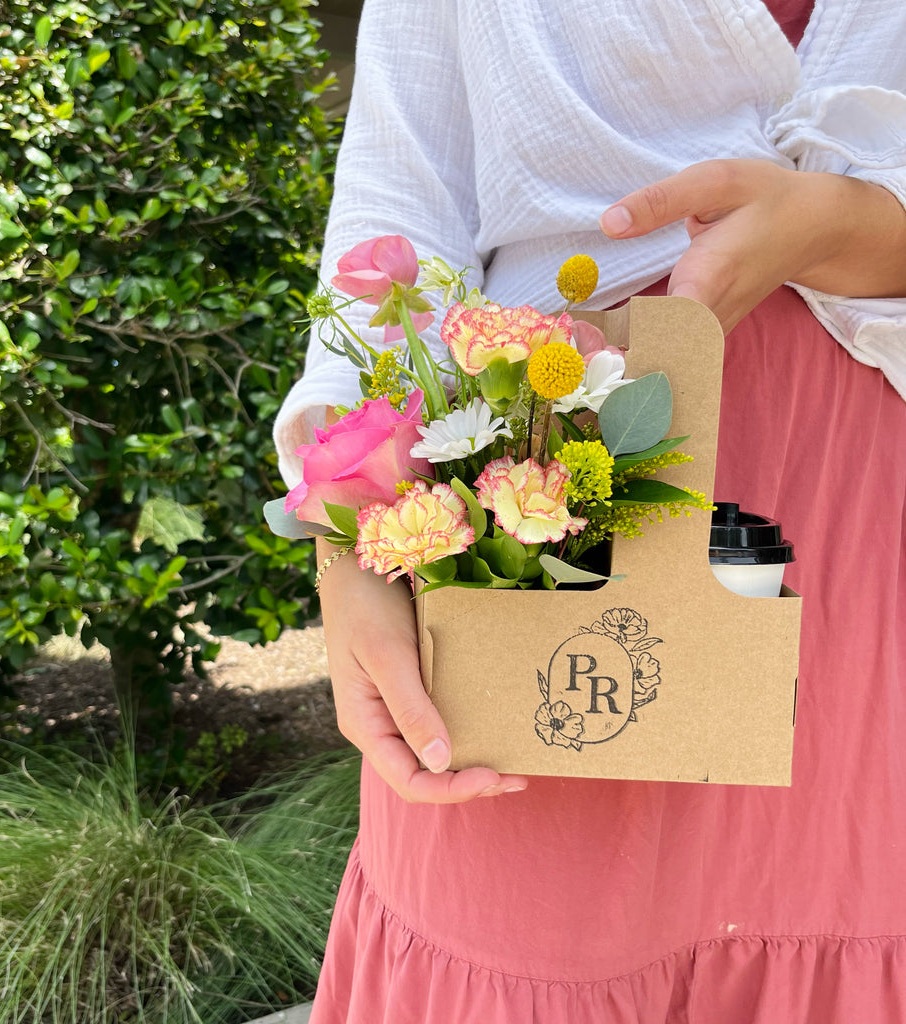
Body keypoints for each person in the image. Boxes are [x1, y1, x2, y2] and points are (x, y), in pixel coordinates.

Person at [273, 1, 906, 1020]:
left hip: (869, 551)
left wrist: (844, 225)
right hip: (540, 522)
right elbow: (404, 203)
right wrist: (352, 541)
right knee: (531, 940)